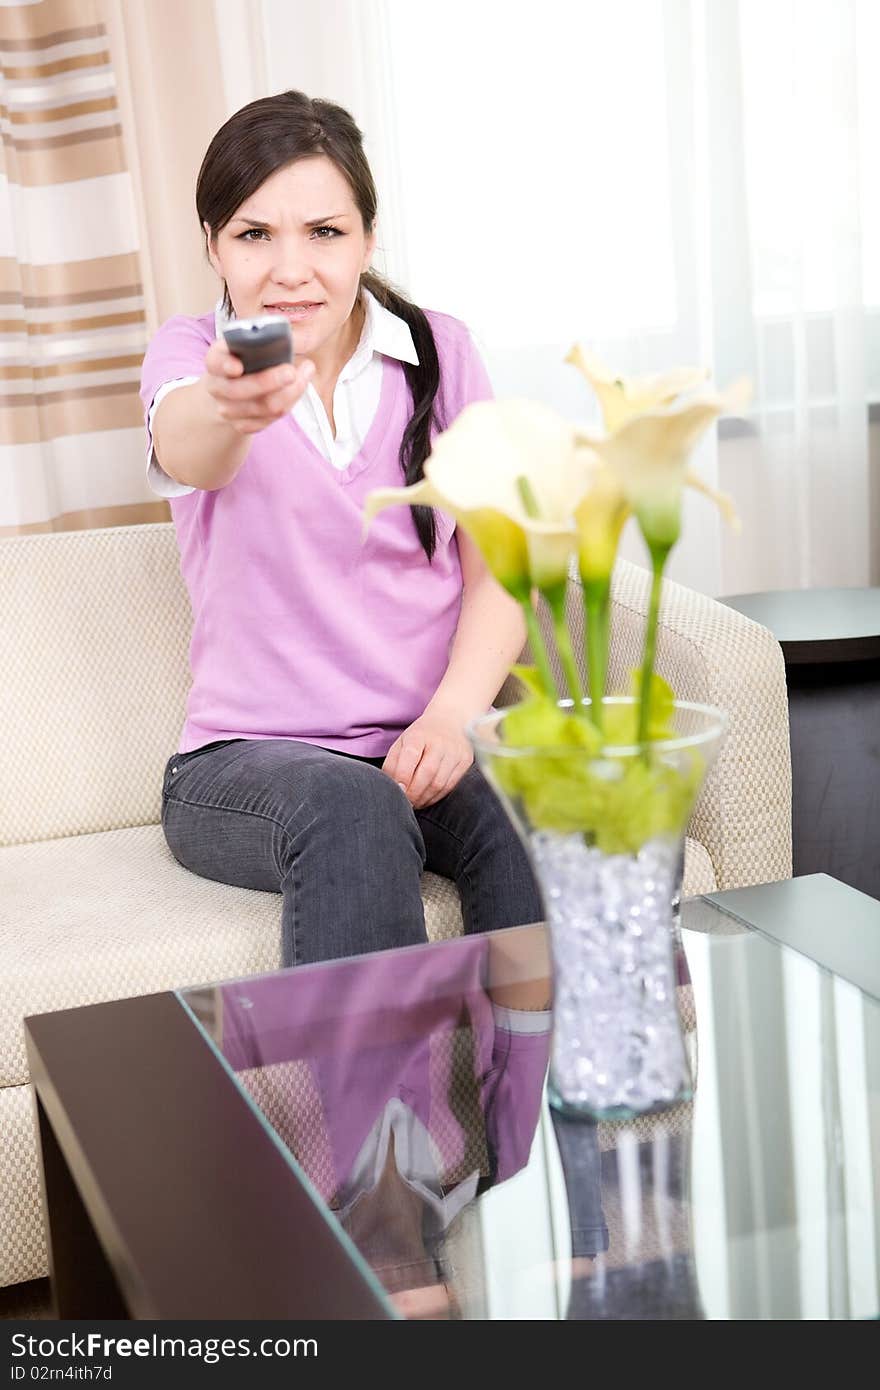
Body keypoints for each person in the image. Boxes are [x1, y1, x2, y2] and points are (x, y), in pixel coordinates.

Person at [139, 89, 543, 967]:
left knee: (531, 804)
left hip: (420, 736)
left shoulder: (441, 352)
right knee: (353, 805)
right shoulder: (191, 356)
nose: (292, 270)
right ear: (213, 245)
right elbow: (189, 444)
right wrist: (232, 406)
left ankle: (542, 1098)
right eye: (255, 235)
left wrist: (449, 717)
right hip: (243, 766)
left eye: (324, 233)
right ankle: (377, 1113)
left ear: (366, 238)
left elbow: (503, 564)